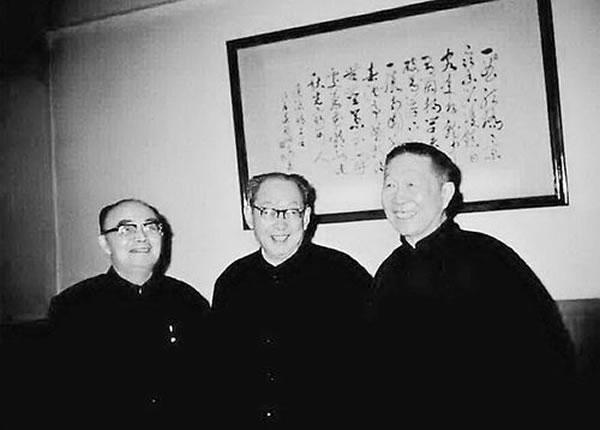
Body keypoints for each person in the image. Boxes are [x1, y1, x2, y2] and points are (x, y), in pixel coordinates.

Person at [367, 142, 576, 423]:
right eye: (390, 185)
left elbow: (545, 363)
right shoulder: (389, 270)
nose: (398, 198)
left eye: (411, 184)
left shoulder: (489, 259)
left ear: (445, 194)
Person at [212, 172, 372, 428]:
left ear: (306, 217)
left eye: (292, 212)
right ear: (249, 214)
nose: (281, 223)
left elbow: (371, 369)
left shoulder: (344, 275)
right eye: (268, 211)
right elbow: (222, 373)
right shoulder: (231, 282)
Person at [47, 198, 211, 426]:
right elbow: (60, 398)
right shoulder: (72, 306)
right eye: (126, 229)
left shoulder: (189, 301)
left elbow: (207, 384)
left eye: (151, 227)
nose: (142, 237)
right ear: (105, 243)